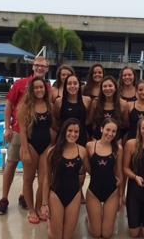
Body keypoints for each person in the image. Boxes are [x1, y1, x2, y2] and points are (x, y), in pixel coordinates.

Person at [0, 56, 49, 215]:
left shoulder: (47, 87)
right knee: (11, 164)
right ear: (33, 67)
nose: (40, 68)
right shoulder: (20, 84)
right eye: (37, 65)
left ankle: (24, 197)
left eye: (43, 66)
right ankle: (4, 199)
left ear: (47, 69)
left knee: (31, 170)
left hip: (38, 134)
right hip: (19, 131)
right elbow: (9, 105)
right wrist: (7, 128)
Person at [41, 118, 88, 238]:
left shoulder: (82, 151)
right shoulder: (52, 151)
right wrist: (44, 203)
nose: (73, 134)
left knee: (67, 237)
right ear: (64, 131)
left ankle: (53, 224)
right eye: (70, 131)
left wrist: (114, 177)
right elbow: (47, 178)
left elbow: (93, 171)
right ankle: (50, 226)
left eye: (76, 132)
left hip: (74, 195)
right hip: (56, 194)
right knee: (57, 237)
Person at [17, 77, 55, 224]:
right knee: (28, 179)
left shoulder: (49, 105)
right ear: (31, 90)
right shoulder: (26, 106)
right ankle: (31, 209)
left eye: (42, 87)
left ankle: (39, 207)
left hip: (46, 147)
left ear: (45, 89)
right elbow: (22, 130)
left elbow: (52, 126)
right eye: (36, 88)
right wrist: (25, 150)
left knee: (43, 181)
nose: (39, 90)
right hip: (30, 146)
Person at [53, 75, 91, 204]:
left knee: (80, 171)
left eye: (75, 83)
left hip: (80, 138)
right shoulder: (59, 101)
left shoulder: (87, 101)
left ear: (79, 85)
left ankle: (78, 192)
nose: (73, 86)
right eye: (70, 83)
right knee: (63, 169)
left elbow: (89, 120)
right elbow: (56, 120)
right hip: (64, 139)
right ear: (65, 85)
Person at [84, 118, 123, 238]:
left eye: (114, 131)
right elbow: (88, 169)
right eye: (108, 130)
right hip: (93, 191)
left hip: (112, 192)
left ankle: (103, 219)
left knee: (106, 235)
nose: (110, 134)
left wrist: (121, 196)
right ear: (101, 129)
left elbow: (119, 173)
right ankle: (88, 220)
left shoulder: (118, 148)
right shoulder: (90, 146)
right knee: (96, 234)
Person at [91, 76, 128, 141]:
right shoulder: (95, 103)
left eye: (110, 86)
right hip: (98, 138)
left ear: (115, 88)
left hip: (116, 139)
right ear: (101, 89)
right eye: (104, 86)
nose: (107, 88)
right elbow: (93, 123)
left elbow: (126, 124)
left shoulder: (123, 104)